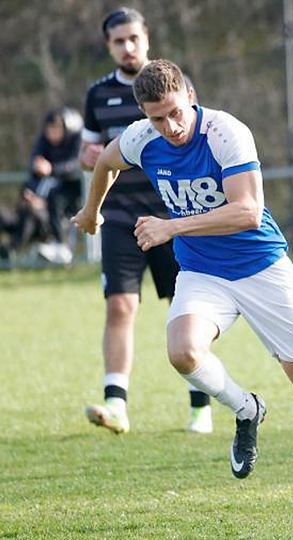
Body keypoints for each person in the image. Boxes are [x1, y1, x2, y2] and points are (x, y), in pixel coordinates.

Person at [71, 59, 293, 520]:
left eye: (175, 112)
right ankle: (246, 409)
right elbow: (107, 163)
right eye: (157, 118)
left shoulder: (224, 132)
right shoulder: (142, 138)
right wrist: (92, 211)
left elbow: (248, 212)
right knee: (183, 352)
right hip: (202, 274)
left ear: (190, 98)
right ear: (144, 115)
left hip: (262, 269)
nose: (170, 126)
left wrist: (172, 227)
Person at [80, 7, 209, 435]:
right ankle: (116, 403)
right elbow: (89, 153)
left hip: (175, 215)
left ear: (146, 38)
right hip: (119, 217)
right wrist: (95, 161)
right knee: (120, 305)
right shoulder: (97, 95)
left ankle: (200, 404)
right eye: (119, 41)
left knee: (185, 309)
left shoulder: (173, 87)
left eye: (133, 38)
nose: (127, 47)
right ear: (108, 46)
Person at [24, 108, 83, 263]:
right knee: (27, 204)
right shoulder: (43, 141)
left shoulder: (77, 139)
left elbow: (76, 165)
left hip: (75, 190)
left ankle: (61, 246)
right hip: (48, 191)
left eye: (56, 129)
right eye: (49, 129)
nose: (52, 133)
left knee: (56, 199)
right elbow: (34, 165)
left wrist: (52, 169)